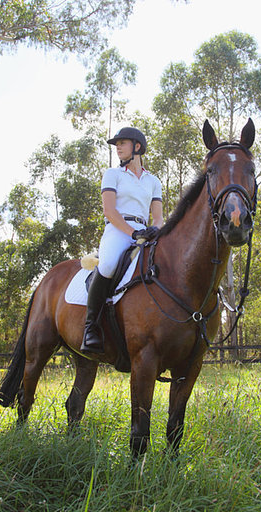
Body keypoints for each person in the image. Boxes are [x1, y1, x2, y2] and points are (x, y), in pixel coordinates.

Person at [80, 127, 164, 355]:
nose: (117, 147)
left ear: (137, 147)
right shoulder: (112, 174)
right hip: (118, 229)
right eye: (116, 144)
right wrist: (131, 232)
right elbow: (109, 211)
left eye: (122, 142)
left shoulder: (153, 181)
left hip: (144, 231)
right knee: (107, 265)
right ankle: (91, 327)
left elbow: (158, 218)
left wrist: (153, 230)